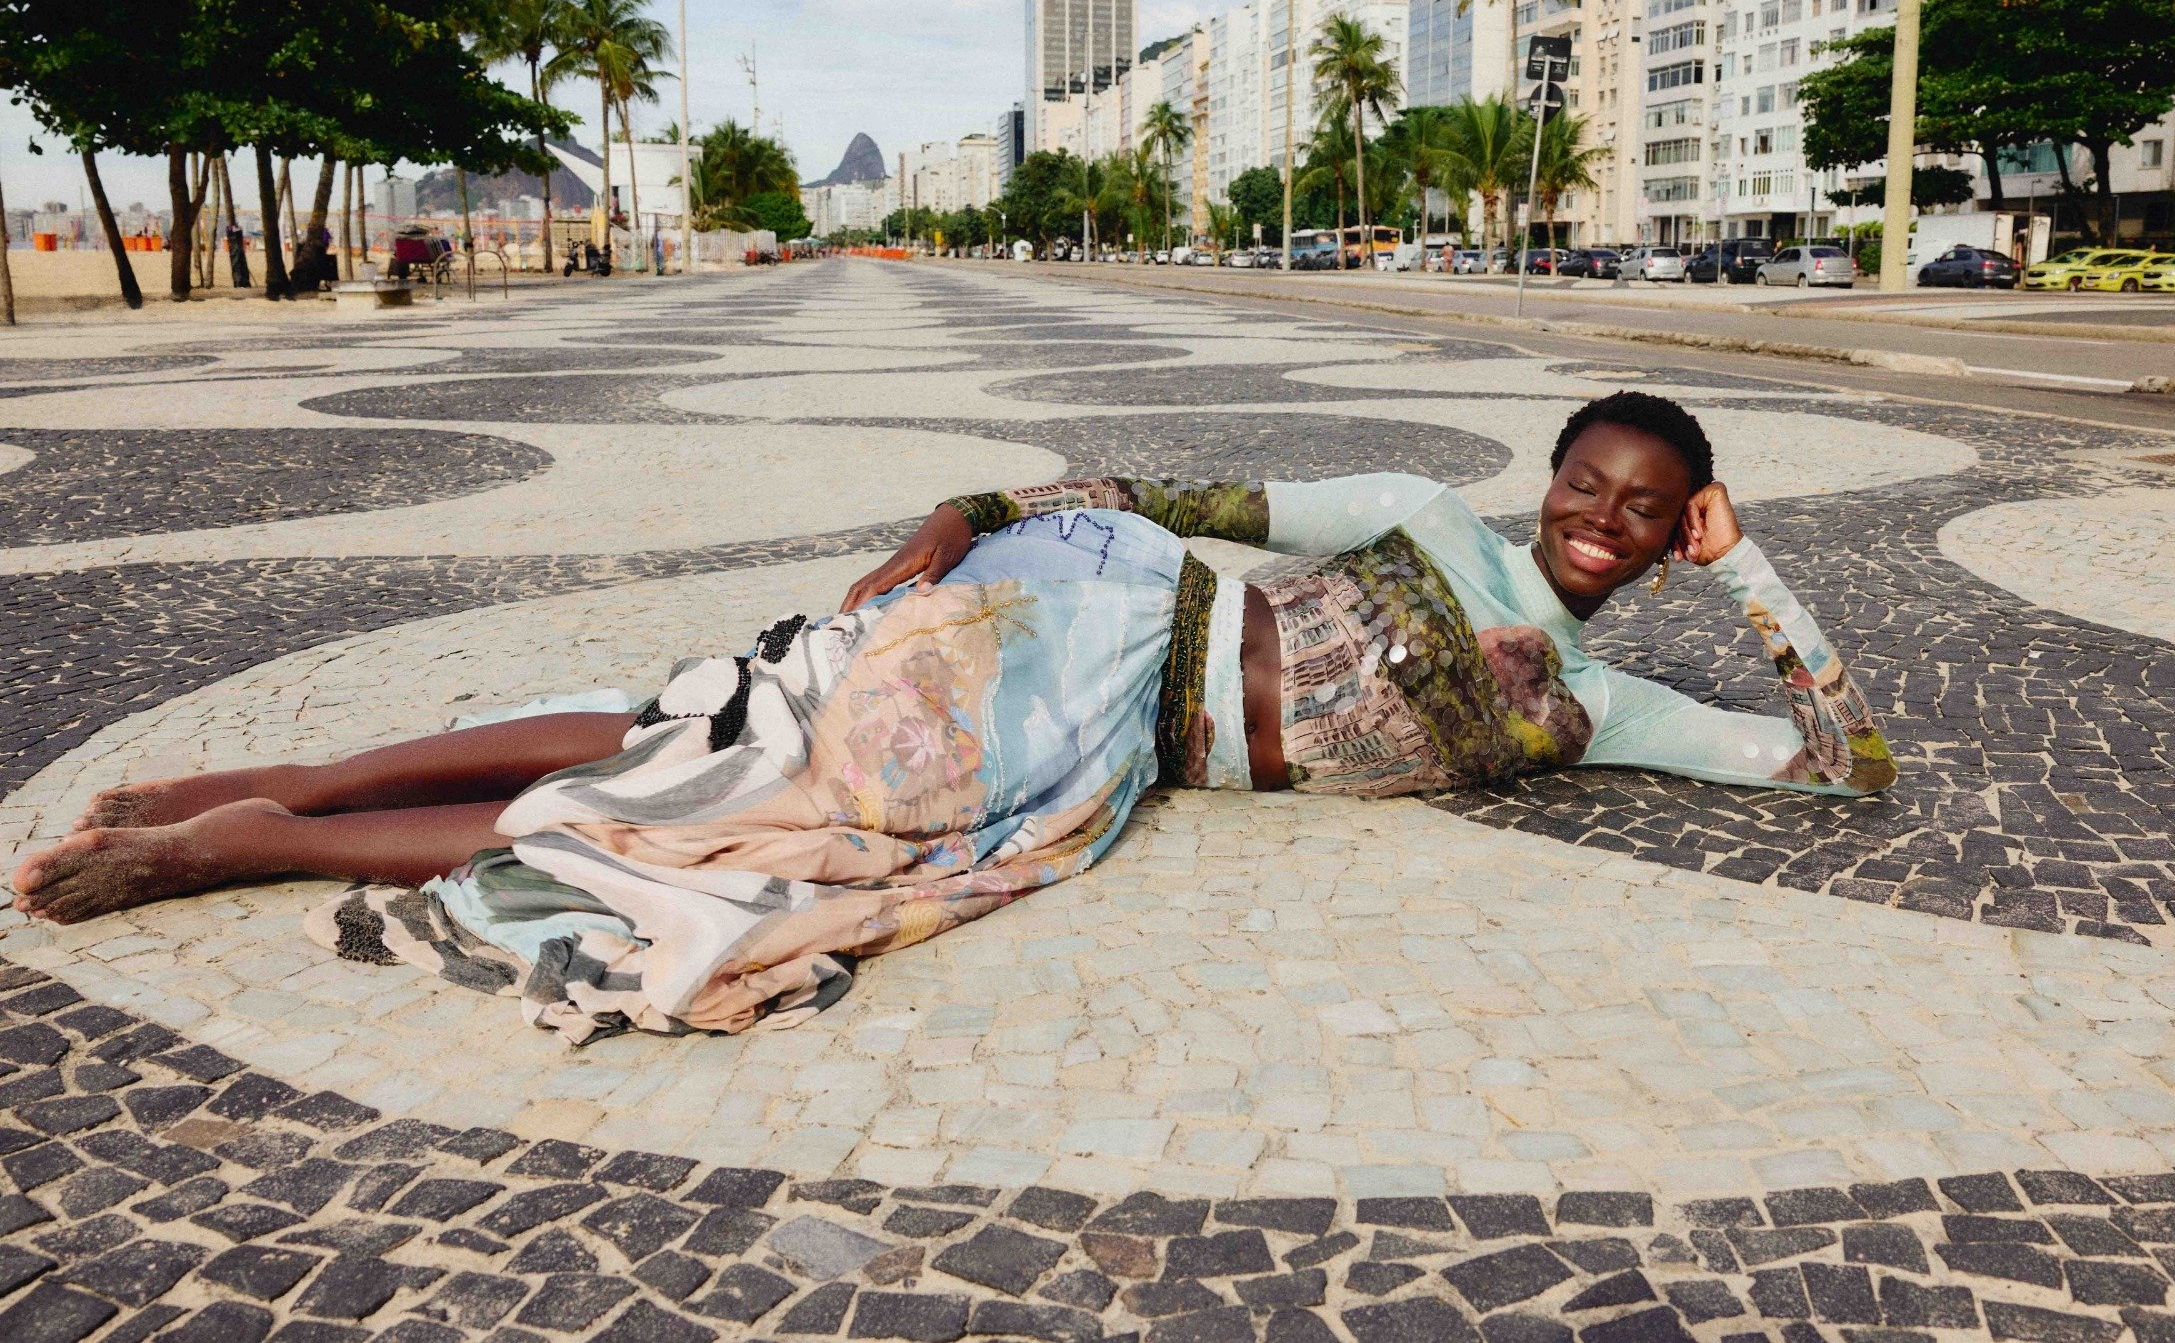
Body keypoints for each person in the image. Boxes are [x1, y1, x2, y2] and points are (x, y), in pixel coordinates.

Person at [11, 394, 1893, 1043]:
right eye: (1594, 480)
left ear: (1670, 534)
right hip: (1069, 628)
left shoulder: (1609, 703)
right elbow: (1192, 504)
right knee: (698, 740)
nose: (1604, 517)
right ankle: (262, 801)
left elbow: (1842, 765)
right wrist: (971, 516)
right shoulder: (1425, 523)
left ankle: (242, 836)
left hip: (1089, 764)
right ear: (1552, 469)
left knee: (698, 811)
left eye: (1650, 509)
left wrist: (1752, 569)